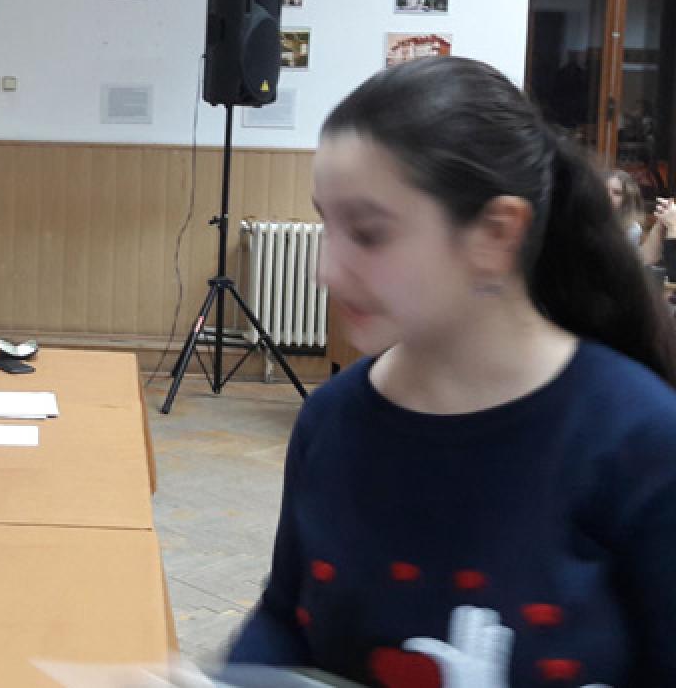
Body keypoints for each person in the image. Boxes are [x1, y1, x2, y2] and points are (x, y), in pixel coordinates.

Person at [227, 57, 676, 685]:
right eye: (328, 223)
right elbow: (286, 618)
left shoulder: (637, 437)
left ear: (496, 234)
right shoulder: (331, 419)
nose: (326, 270)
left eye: (369, 233)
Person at [606, 167, 644, 245]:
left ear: (626, 200)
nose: (608, 196)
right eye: (604, 189)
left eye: (617, 193)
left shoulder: (632, 229)